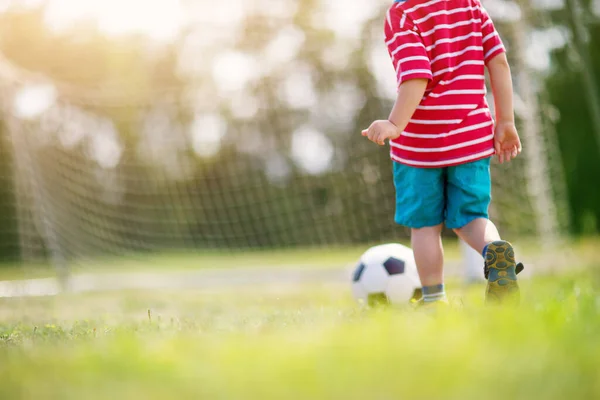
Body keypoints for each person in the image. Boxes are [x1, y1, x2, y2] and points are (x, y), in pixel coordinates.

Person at [362, 0, 524, 306]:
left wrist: (395, 124)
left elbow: (416, 74)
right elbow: (499, 62)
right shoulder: (471, 5)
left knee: (424, 226)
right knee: (472, 218)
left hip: (421, 144)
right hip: (471, 137)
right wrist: (505, 121)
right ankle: (495, 250)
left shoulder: (403, 12)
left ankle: (434, 300)